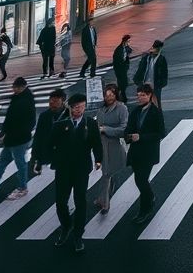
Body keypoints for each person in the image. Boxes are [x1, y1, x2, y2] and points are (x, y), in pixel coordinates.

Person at [49, 93, 102, 253]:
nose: (79, 110)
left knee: (80, 201)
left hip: (81, 169)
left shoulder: (90, 123)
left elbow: (96, 142)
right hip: (63, 169)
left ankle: (78, 234)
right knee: (60, 202)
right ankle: (66, 225)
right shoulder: (61, 124)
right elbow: (51, 143)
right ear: (70, 108)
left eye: (82, 107)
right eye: (76, 107)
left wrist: (98, 159)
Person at [0, 77, 35, 200]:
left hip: (18, 140)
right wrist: (3, 133)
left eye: (15, 87)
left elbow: (25, 122)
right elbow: (10, 119)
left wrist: (6, 134)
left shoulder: (25, 102)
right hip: (12, 139)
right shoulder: (19, 98)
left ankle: (22, 188)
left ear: (22, 87)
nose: (13, 89)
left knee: (20, 164)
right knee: (3, 161)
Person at [125, 84, 166, 225]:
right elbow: (128, 128)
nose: (140, 98)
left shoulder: (156, 112)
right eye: (138, 95)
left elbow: (161, 133)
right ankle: (150, 197)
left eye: (143, 95)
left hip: (148, 152)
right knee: (139, 180)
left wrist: (141, 137)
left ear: (149, 95)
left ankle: (145, 209)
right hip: (135, 152)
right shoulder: (135, 111)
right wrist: (128, 136)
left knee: (141, 180)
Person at [95, 84, 129, 215]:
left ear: (116, 95)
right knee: (107, 172)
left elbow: (124, 129)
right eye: (106, 95)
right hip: (102, 144)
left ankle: (104, 202)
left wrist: (105, 129)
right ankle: (103, 199)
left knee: (107, 173)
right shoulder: (101, 108)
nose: (108, 97)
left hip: (115, 144)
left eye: (111, 95)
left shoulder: (122, 108)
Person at [30, 88, 69, 177]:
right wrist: (35, 157)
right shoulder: (44, 116)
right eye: (50, 101)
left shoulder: (70, 116)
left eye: (55, 101)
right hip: (48, 153)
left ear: (63, 101)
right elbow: (38, 137)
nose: (51, 103)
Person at [133, 40, 168, 108]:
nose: (157, 50)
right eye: (155, 48)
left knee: (156, 104)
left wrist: (162, 83)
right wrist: (137, 80)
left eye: (158, 49)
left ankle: (157, 114)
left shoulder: (161, 59)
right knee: (144, 102)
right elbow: (140, 69)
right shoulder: (146, 58)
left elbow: (164, 73)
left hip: (156, 85)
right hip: (144, 84)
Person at [112, 34, 133, 102]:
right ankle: (123, 98)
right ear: (124, 41)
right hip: (119, 69)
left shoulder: (125, 47)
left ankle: (117, 94)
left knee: (123, 84)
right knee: (123, 83)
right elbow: (117, 61)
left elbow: (130, 50)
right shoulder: (118, 50)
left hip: (124, 69)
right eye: (128, 41)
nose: (129, 42)